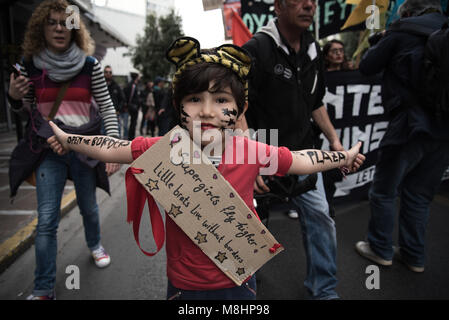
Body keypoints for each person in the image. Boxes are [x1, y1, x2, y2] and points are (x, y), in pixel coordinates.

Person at [47, 36, 365, 300]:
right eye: (195, 99)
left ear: (241, 109)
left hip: (239, 279)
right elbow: (112, 148)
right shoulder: (164, 150)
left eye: (222, 100)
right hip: (184, 285)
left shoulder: (251, 150)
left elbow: (300, 160)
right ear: (178, 106)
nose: (208, 111)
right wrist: (69, 138)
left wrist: (343, 157)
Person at [241, 0, 363, 299]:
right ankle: (242, 290)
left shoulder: (313, 49)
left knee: (321, 216)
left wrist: (334, 141)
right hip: (264, 152)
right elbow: (238, 107)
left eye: (313, 0)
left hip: (306, 154)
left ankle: (323, 289)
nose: (309, 5)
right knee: (246, 227)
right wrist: (250, 159)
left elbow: (316, 101)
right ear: (279, 6)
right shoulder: (256, 50)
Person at [6, 0, 119, 300]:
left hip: (83, 150)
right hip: (48, 151)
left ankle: (95, 245)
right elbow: (28, 112)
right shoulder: (28, 66)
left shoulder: (89, 65)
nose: (59, 28)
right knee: (46, 221)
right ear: (41, 27)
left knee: (89, 208)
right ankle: (43, 289)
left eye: (65, 22)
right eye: (52, 22)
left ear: (74, 28)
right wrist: (14, 99)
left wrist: (113, 146)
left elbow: (107, 108)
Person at [355, 0, 449, 273]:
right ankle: (414, 255)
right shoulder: (444, 30)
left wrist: (382, 40)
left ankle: (380, 248)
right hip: (444, 132)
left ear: (407, 12)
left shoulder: (401, 31)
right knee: (419, 195)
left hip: (408, 127)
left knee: (384, 191)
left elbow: (367, 66)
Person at [104, 65, 126, 135]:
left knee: (115, 134)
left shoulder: (116, 86)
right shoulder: (101, 85)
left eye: (110, 72)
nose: (108, 74)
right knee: (102, 134)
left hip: (114, 114)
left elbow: (122, 99)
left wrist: (118, 110)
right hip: (102, 114)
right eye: (106, 72)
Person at [123, 72, 142, 140]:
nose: (140, 78)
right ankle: (131, 137)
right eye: (139, 77)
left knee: (132, 123)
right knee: (132, 123)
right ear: (136, 77)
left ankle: (130, 137)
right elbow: (130, 96)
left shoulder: (133, 85)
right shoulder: (133, 86)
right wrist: (128, 104)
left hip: (133, 107)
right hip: (133, 107)